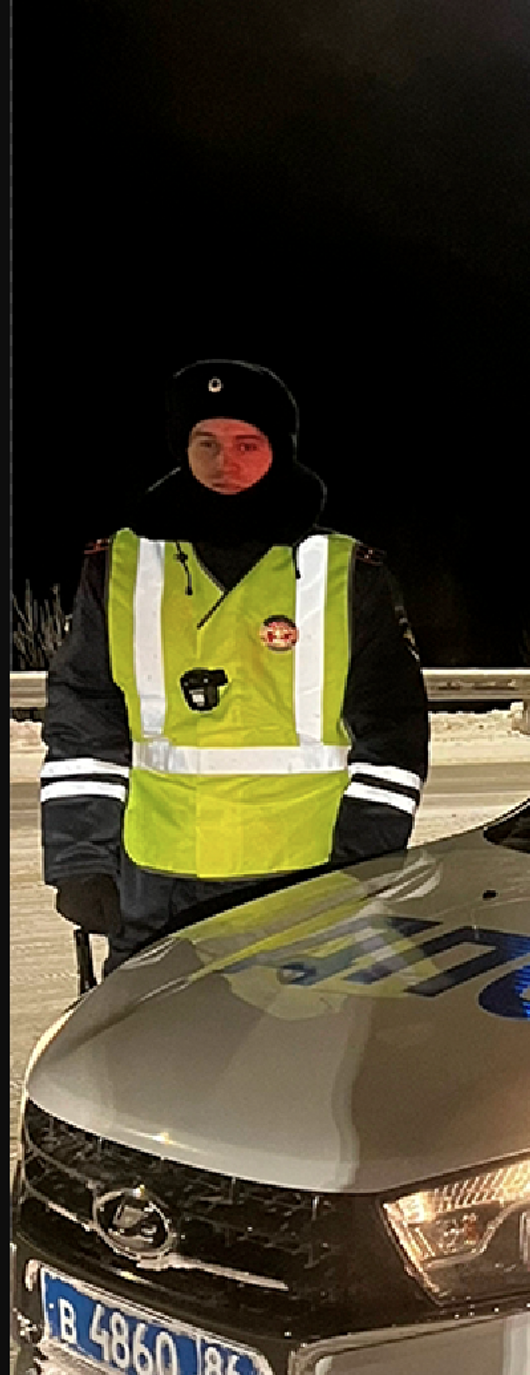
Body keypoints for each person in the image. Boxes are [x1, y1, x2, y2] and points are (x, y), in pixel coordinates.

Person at [40, 358, 430, 972]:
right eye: (207, 444)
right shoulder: (119, 567)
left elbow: (394, 735)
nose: (227, 463)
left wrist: (362, 862)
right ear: (181, 449)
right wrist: (81, 861)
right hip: (153, 886)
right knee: (143, 1058)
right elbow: (84, 722)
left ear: (279, 448)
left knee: (291, 1059)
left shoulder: (347, 574)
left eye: (248, 443)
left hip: (303, 884)